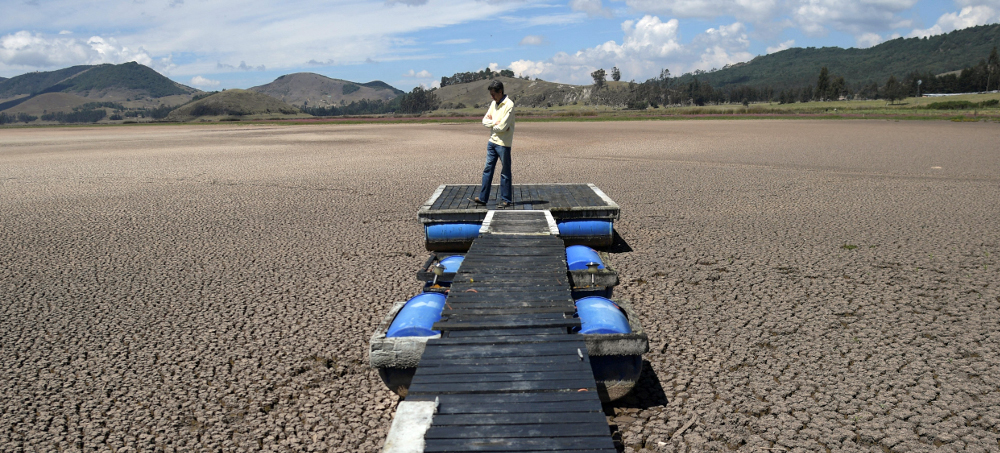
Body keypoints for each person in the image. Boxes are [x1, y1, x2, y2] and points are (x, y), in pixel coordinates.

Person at [470, 79, 515, 208]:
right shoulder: (493, 104)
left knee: (505, 171)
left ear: (500, 92)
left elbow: (503, 127)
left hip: (503, 143)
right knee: (487, 170)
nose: (492, 96)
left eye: (493, 94)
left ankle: (506, 199)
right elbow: (484, 121)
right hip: (492, 142)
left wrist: (493, 123)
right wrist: (495, 123)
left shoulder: (509, 105)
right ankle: (483, 198)